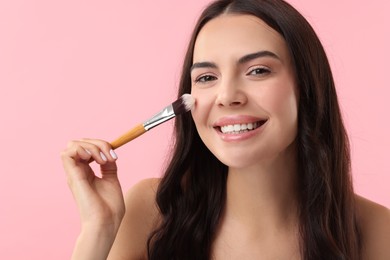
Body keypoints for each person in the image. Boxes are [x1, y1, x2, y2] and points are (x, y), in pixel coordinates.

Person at [61, 0, 390, 259]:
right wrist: (98, 229)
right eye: (206, 77)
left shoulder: (377, 232)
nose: (228, 96)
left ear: (307, 87)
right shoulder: (152, 210)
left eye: (258, 70)